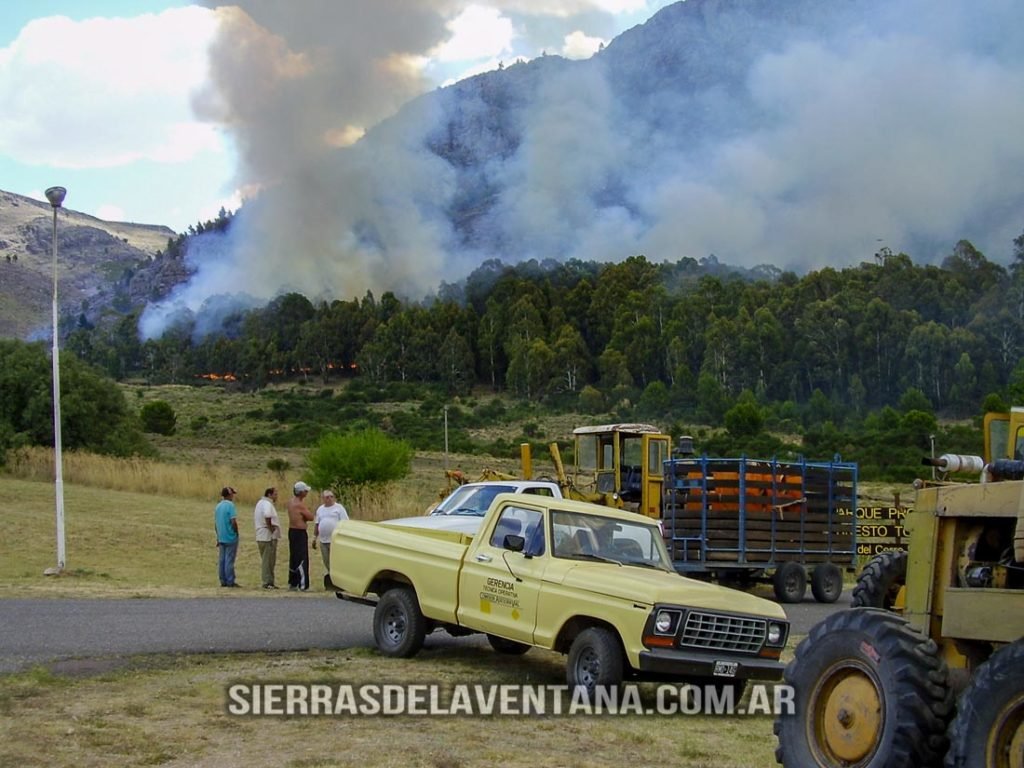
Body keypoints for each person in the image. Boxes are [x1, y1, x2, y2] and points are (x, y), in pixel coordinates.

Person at [313, 490, 349, 584]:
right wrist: (314, 537)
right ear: (323, 499)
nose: (329, 499)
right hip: (323, 540)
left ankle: (340, 580)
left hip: (335, 540)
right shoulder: (320, 509)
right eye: (327, 497)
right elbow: (317, 524)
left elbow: (345, 523)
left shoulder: (339, 508)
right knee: (326, 561)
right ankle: (331, 578)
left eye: (331, 496)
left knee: (335, 561)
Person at [287, 481, 314, 591]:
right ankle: (303, 583)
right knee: (302, 557)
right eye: (305, 491)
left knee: (293, 557)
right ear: (301, 492)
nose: (307, 493)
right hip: (299, 533)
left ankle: (293, 582)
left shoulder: (290, 502)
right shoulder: (300, 505)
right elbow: (311, 517)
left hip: (292, 531)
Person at [253, 487, 281, 589]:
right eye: (275, 494)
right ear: (269, 494)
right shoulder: (267, 504)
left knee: (268, 560)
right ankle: (267, 582)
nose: (276, 496)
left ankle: (270, 581)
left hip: (261, 535)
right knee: (268, 560)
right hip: (267, 536)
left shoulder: (260, 503)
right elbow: (267, 515)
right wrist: (271, 528)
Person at [214, 486, 240, 588]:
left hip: (221, 536)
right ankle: (230, 581)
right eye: (232, 494)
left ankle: (222, 580)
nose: (233, 496)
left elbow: (216, 524)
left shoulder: (218, 506)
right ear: (229, 495)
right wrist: (236, 532)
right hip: (230, 537)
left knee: (222, 560)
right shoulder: (230, 506)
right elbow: (233, 521)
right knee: (229, 559)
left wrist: (218, 535)